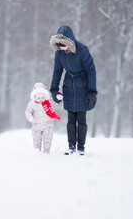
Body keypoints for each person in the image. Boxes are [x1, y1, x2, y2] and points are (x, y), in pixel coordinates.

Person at [49, 25, 97, 156]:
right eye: (59, 46)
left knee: (81, 118)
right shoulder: (59, 53)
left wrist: (92, 91)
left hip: (83, 86)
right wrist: (54, 89)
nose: (62, 48)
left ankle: (81, 148)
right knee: (71, 119)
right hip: (69, 86)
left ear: (69, 41)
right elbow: (57, 71)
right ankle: (71, 147)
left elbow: (91, 70)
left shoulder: (82, 50)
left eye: (63, 45)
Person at [25, 82, 63, 154]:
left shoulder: (49, 102)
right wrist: (30, 117)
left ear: (45, 96)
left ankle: (46, 151)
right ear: (35, 97)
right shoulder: (32, 103)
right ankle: (37, 151)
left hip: (48, 126)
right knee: (36, 140)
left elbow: (56, 101)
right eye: (38, 98)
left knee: (47, 139)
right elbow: (28, 111)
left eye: (42, 97)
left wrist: (58, 97)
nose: (41, 99)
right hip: (36, 126)